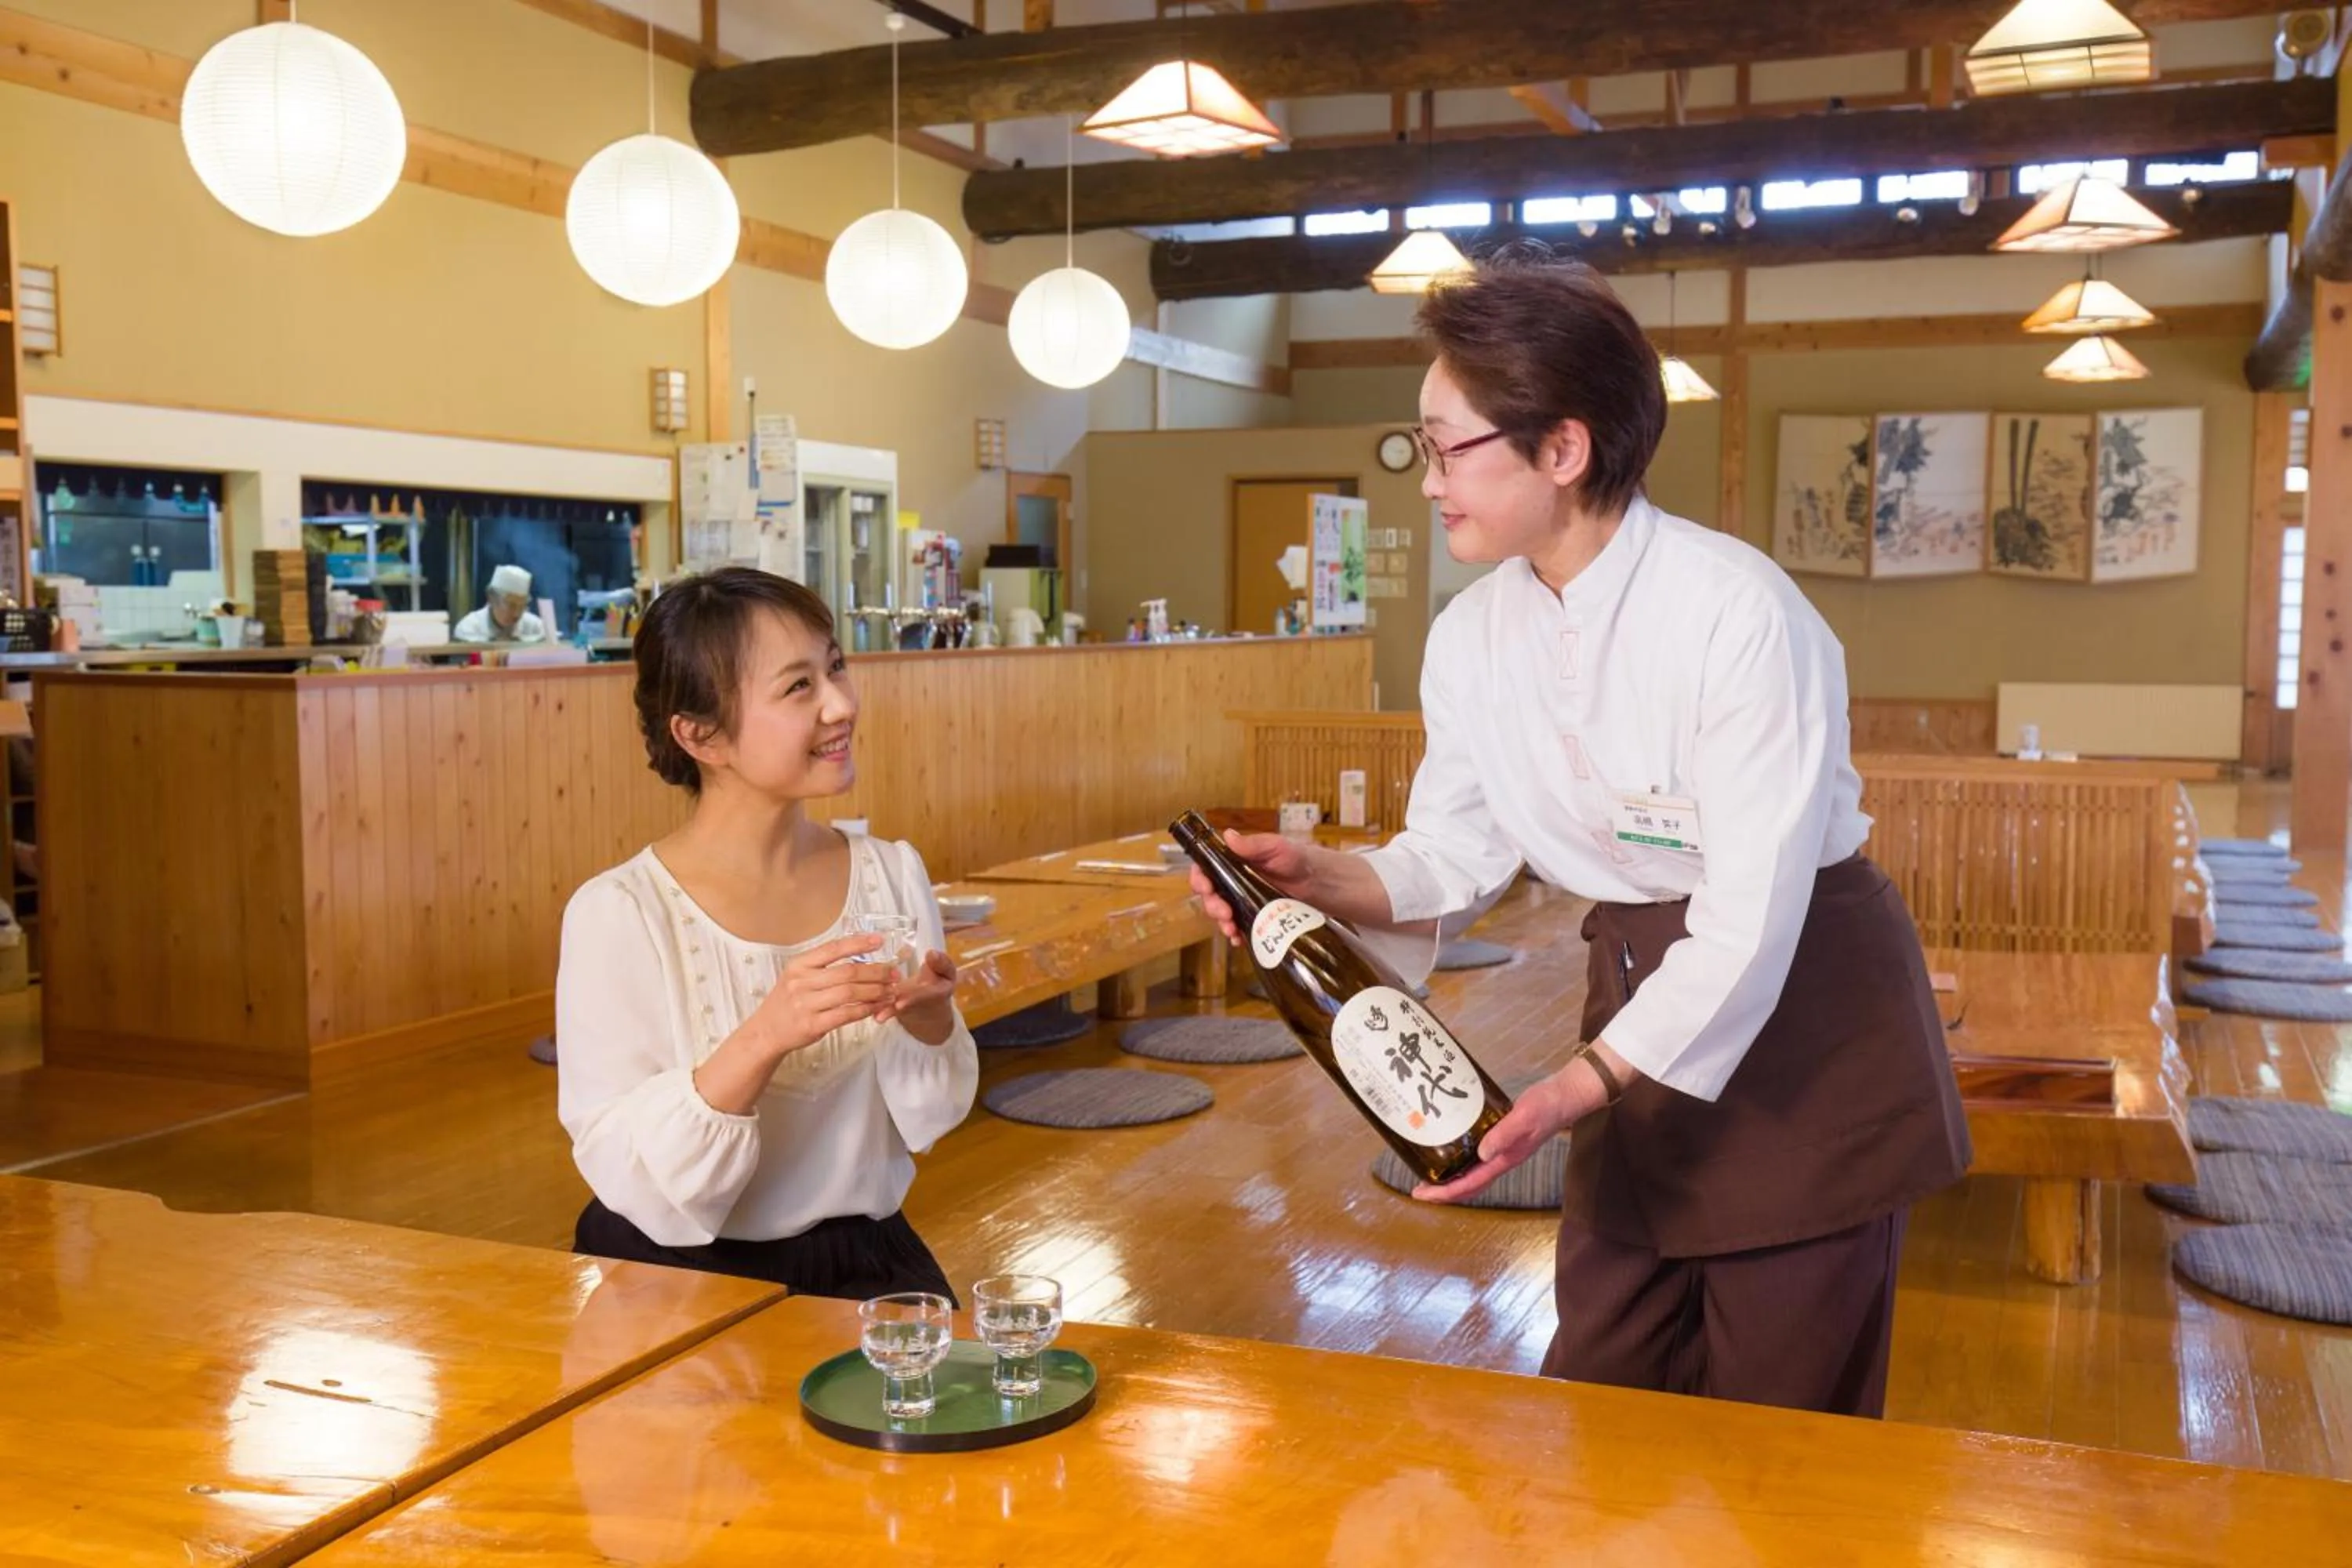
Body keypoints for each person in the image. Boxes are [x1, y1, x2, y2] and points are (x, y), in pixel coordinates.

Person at [1192, 252, 1969, 1418]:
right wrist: (1322, 879)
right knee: (1605, 1380)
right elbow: (1451, 852)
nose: (1429, 481)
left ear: (1563, 449)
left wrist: (1575, 1085)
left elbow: (1751, 917)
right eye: (1422, 447)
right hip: (1636, 993)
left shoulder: (1738, 612)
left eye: (1448, 449)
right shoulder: (1471, 633)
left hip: (1808, 1010)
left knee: (1783, 1414)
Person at [556, 567, 976, 1299]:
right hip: (675, 1275)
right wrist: (765, 1035)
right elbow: (620, 1162)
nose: (841, 704)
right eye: (798, 687)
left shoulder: (892, 873)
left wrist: (932, 1020)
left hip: (866, 1264)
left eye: (835, 667)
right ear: (700, 735)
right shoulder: (619, 911)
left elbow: (928, 1120)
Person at [453, 563, 550, 643]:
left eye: (522, 607)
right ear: (491, 598)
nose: (516, 614)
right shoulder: (469, 627)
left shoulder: (536, 626)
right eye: (511, 605)